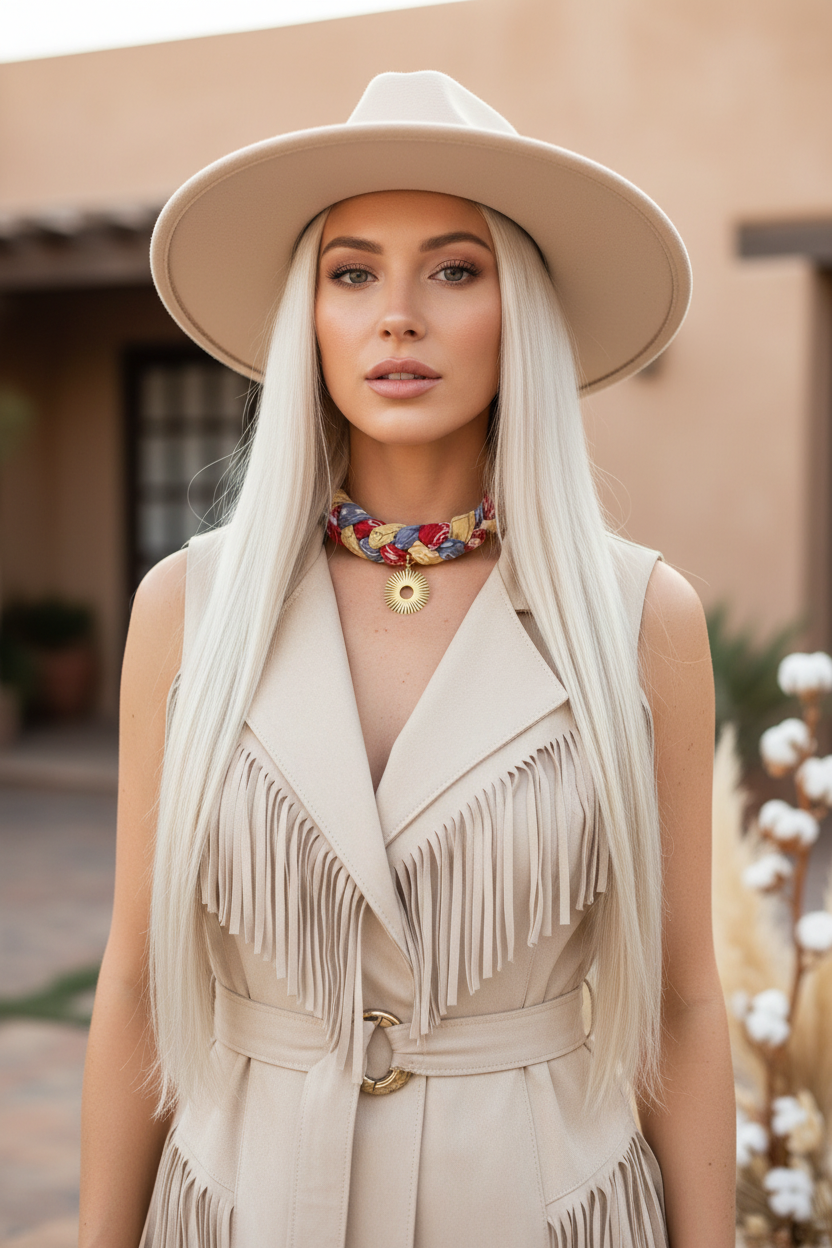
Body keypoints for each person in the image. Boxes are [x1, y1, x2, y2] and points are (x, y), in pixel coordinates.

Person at [79, 71, 736, 1248]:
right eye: (351, 272)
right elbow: (132, 985)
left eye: (452, 268)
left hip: (541, 1212)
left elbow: (681, 1006)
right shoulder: (190, 606)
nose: (398, 315)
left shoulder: (640, 616)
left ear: (516, 306)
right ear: (311, 317)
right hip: (240, 1210)